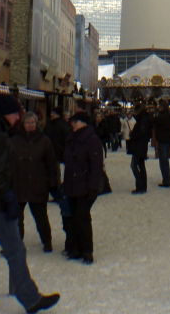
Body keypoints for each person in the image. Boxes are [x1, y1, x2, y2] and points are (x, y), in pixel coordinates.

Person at [0, 94, 60, 314]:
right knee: (15, 250)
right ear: (7, 113)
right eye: (17, 112)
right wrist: (8, 196)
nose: (19, 117)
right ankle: (30, 298)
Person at [10, 111, 59, 253]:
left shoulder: (44, 140)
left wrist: (53, 183)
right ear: (23, 124)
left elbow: (51, 163)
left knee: (41, 217)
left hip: (38, 184)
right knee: (16, 218)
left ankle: (47, 241)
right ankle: (16, 243)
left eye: (33, 122)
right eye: (27, 122)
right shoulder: (14, 140)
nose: (30, 125)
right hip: (18, 184)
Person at [62, 111, 103, 264]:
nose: (72, 124)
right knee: (72, 218)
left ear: (83, 123)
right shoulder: (71, 138)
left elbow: (96, 165)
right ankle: (75, 248)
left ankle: (87, 251)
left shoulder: (92, 140)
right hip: (72, 185)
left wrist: (93, 187)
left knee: (83, 218)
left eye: (75, 121)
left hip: (85, 186)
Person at [127, 104, 152, 194]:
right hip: (141, 145)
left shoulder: (142, 120)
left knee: (135, 166)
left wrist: (133, 134)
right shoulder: (144, 118)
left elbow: (140, 133)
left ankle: (140, 186)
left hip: (139, 146)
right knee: (140, 165)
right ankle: (142, 186)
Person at [152, 101, 170, 187]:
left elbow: (155, 121)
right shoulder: (169, 115)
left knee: (163, 161)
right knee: (165, 160)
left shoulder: (162, 116)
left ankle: (166, 180)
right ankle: (166, 179)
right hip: (167, 139)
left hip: (163, 139)